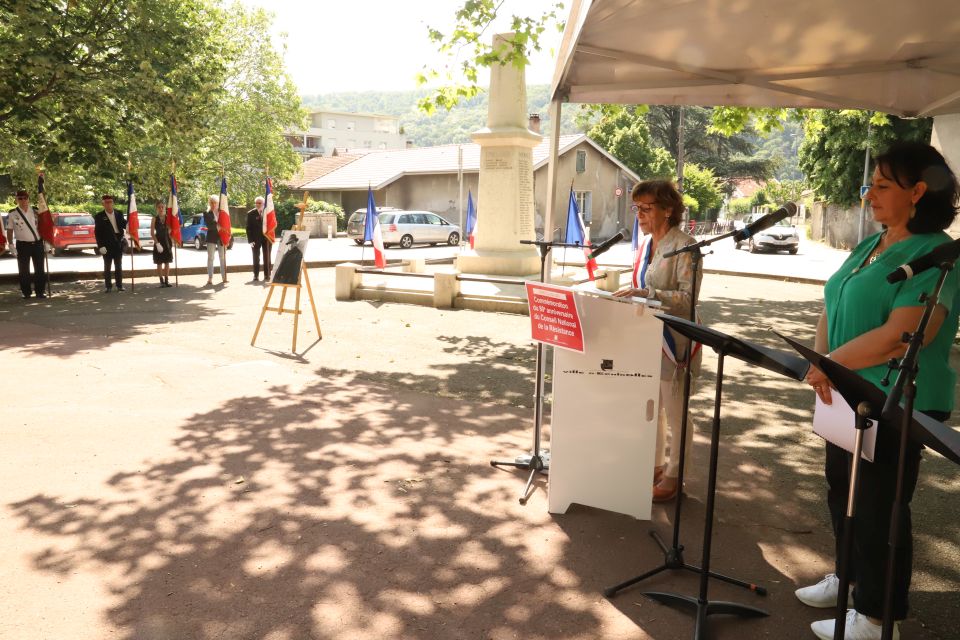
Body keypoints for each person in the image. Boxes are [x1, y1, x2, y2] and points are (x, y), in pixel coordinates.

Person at [799, 142, 959, 640]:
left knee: (879, 505)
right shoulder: (873, 244)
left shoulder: (935, 257)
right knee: (840, 491)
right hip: (846, 393)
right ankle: (848, 579)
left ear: (917, 191)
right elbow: (834, 298)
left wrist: (829, 365)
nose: (869, 195)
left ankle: (875, 614)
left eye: (882, 185)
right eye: (870, 185)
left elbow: (902, 336)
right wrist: (823, 363)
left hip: (896, 399)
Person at [613, 180, 702, 502]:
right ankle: (653, 465)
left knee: (676, 410)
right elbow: (637, 287)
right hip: (646, 339)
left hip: (675, 340)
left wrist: (648, 294)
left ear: (668, 209)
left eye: (647, 208)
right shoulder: (643, 246)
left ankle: (675, 474)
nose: (640, 214)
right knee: (652, 408)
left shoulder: (685, 246)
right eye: (637, 208)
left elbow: (688, 298)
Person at [6, 189, 48, 299]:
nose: (23, 200)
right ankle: (26, 293)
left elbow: (44, 226)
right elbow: (10, 230)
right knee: (24, 270)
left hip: (37, 244)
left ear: (28, 199)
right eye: (20, 198)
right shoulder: (12, 213)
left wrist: (47, 241)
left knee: (40, 269)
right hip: (23, 245)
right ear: (16, 200)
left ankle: (40, 292)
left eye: (25, 198)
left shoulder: (35, 211)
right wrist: (10, 244)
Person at [94, 194, 127, 292]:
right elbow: (97, 233)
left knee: (118, 266)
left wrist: (131, 225)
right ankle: (108, 286)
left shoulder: (119, 213)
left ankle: (119, 286)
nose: (109, 204)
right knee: (107, 266)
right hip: (106, 244)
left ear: (113, 203)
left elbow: (124, 224)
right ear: (103, 204)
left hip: (118, 242)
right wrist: (100, 246)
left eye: (110, 202)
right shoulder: (99, 216)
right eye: (106, 202)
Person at [246, 196, 272, 282]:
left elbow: (272, 225)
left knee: (267, 257)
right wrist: (250, 240)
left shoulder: (268, 212)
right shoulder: (251, 213)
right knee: (256, 258)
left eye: (259, 203)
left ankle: (267, 274)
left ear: (264, 204)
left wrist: (271, 237)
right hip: (255, 239)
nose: (257, 204)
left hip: (267, 238)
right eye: (256, 203)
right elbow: (248, 228)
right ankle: (256, 275)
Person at [203, 194, 227, 286]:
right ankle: (210, 278)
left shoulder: (222, 212)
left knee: (222, 257)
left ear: (218, 203)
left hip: (221, 237)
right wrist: (219, 225)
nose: (213, 204)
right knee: (211, 258)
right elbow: (210, 226)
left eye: (215, 203)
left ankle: (224, 277)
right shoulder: (207, 213)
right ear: (209, 203)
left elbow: (225, 224)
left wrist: (221, 226)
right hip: (211, 238)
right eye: (211, 203)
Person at [151, 200, 173, 287]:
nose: (161, 209)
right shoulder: (154, 219)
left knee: (167, 262)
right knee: (159, 262)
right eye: (159, 207)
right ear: (156, 208)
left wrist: (172, 240)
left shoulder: (168, 218)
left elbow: (172, 230)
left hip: (167, 242)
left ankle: (167, 280)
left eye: (162, 207)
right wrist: (157, 244)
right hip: (158, 242)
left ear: (165, 208)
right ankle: (161, 281)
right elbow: (152, 233)